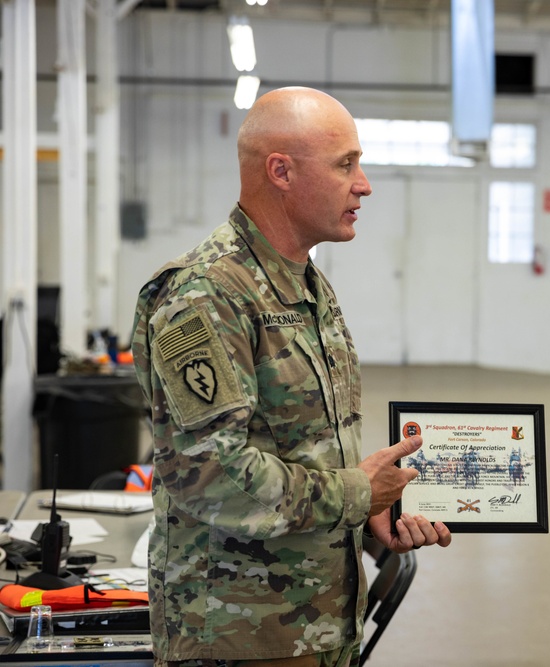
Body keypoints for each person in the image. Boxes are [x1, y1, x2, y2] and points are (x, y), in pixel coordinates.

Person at [131, 86, 451, 667]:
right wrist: (356, 491)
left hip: (314, 626)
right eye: (345, 164)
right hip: (238, 636)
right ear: (281, 171)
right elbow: (211, 476)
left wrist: (372, 508)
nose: (365, 184)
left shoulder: (305, 286)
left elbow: (304, 451)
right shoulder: (204, 296)